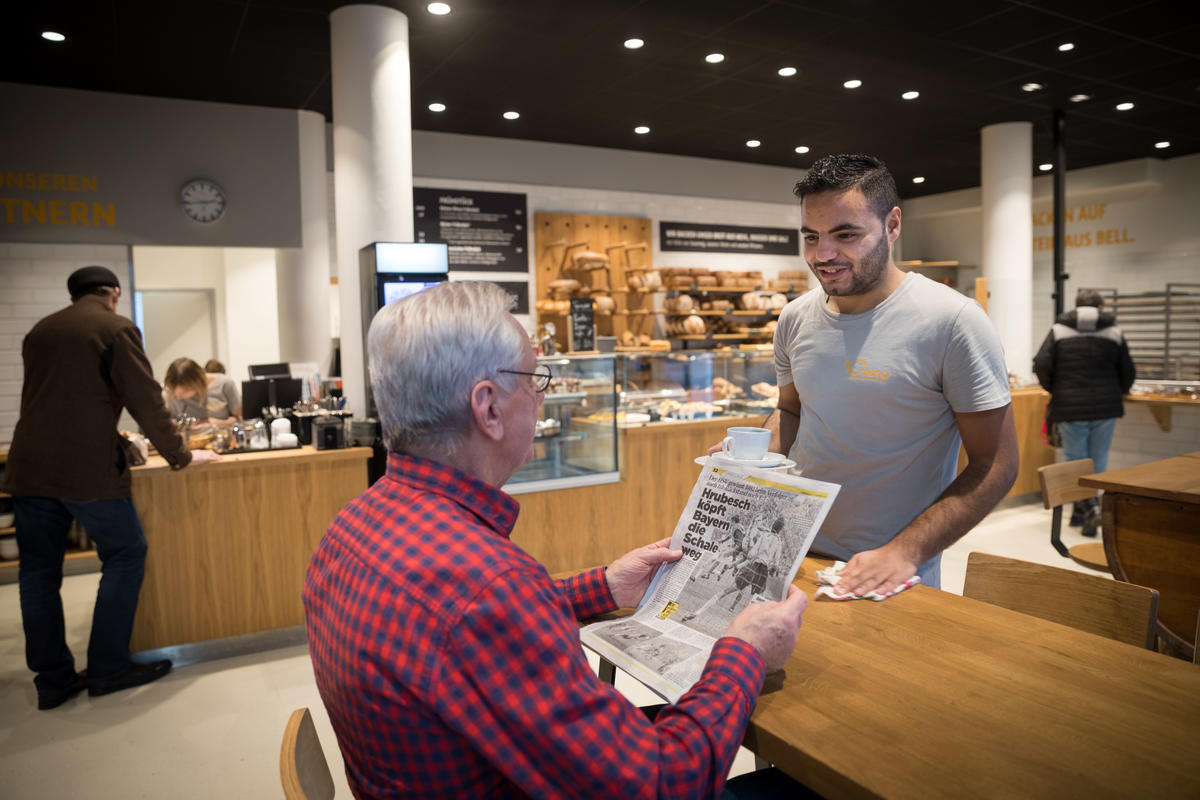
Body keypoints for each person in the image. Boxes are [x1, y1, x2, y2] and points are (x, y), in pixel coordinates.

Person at [303, 281, 812, 799]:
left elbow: (465, 631)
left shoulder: (348, 530)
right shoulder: (489, 585)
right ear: (489, 408)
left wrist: (606, 587)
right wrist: (744, 653)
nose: (542, 395)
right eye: (533, 379)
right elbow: (661, 784)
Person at [754, 154, 1019, 597]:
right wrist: (751, 456)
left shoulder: (952, 321)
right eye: (811, 236)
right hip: (791, 554)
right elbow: (790, 410)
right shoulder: (795, 318)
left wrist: (905, 551)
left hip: (888, 573)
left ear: (892, 225)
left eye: (846, 235)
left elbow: (997, 464)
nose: (823, 255)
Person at [2, 266, 221, 710]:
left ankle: (53, 681)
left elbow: (55, 402)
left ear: (74, 295)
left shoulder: (40, 331)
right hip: (86, 470)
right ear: (114, 294)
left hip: (28, 466)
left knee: (37, 574)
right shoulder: (116, 328)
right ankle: (107, 668)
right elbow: (146, 400)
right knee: (125, 554)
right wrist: (179, 454)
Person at [1033, 288, 1136, 535]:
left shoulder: (1059, 330)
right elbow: (1128, 370)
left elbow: (1041, 364)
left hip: (1070, 406)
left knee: (1075, 460)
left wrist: (1056, 388)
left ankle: (1084, 510)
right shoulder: (1114, 332)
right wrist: (1120, 390)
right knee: (1098, 460)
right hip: (1106, 407)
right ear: (1099, 308)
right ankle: (1091, 508)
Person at [163, 356, 242, 427]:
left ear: (197, 382)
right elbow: (168, 422)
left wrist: (210, 423)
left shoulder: (225, 384)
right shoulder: (169, 393)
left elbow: (239, 419)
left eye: (184, 392)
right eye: (175, 393)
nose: (178, 397)